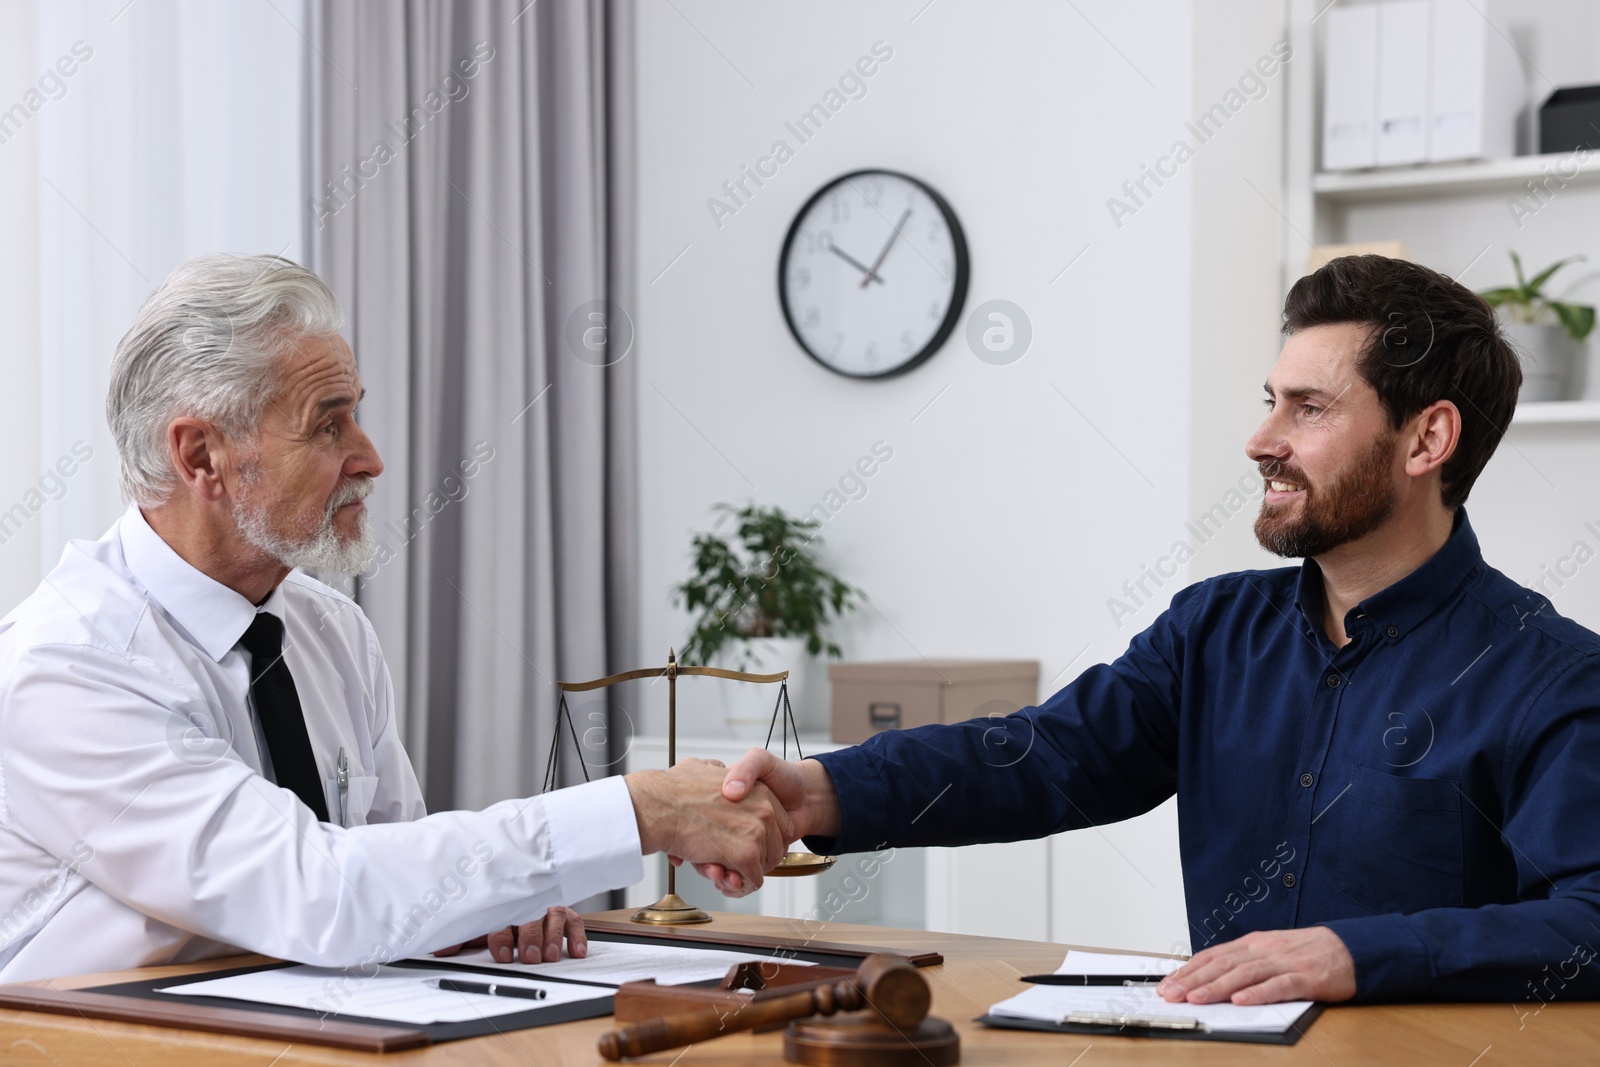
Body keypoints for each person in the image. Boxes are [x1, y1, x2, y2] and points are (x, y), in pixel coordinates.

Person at [707, 255, 1600, 1006]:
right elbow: (1040, 755)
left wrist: (1360, 954)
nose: (1260, 439)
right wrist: (816, 790)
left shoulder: (1552, 675)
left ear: (1426, 439)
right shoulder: (1212, 629)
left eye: (1310, 408)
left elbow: (1592, 919)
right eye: (1270, 400)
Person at [0, 254, 791, 983]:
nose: (371, 456)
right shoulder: (66, 667)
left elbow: (385, 870)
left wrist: (479, 908)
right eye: (327, 423)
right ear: (201, 455)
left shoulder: (327, 628)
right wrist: (640, 808)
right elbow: (321, 893)